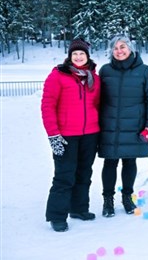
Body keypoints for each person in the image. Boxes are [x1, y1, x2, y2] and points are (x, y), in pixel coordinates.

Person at [41, 38, 100, 232]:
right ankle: (57, 216)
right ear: (69, 56)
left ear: (87, 56)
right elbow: (48, 106)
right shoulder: (58, 76)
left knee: (84, 173)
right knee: (64, 176)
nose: (78, 56)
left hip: (90, 133)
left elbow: (97, 105)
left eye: (81, 53)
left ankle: (79, 208)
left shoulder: (94, 78)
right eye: (75, 53)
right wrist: (53, 135)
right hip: (66, 135)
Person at [98, 35, 148, 217]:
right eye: (115, 48)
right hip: (110, 125)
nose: (119, 51)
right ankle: (108, 201)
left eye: (122, 47)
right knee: (110, 162)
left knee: (129, 161)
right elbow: (97, 98)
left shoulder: (145, 71)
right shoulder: (105, 71)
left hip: (134, 125)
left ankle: (127, 197)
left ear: (130, 48)